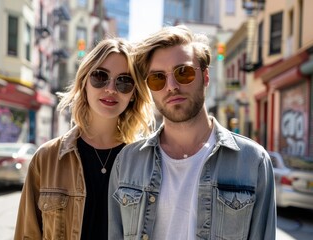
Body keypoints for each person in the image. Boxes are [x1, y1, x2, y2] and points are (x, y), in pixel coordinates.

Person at [108, 25, 276, 240]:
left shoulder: (253, 161)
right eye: (158, 78)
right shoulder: (128, 162)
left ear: (205, 77)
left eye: (183, 72)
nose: (171, 86)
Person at [14, 37, 154, 239]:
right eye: (100, 76)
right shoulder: (47, 158)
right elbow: (26, 235)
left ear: (133, 93)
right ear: (84, 82)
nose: (111, 89)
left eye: (124, 81)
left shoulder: (146, 163)